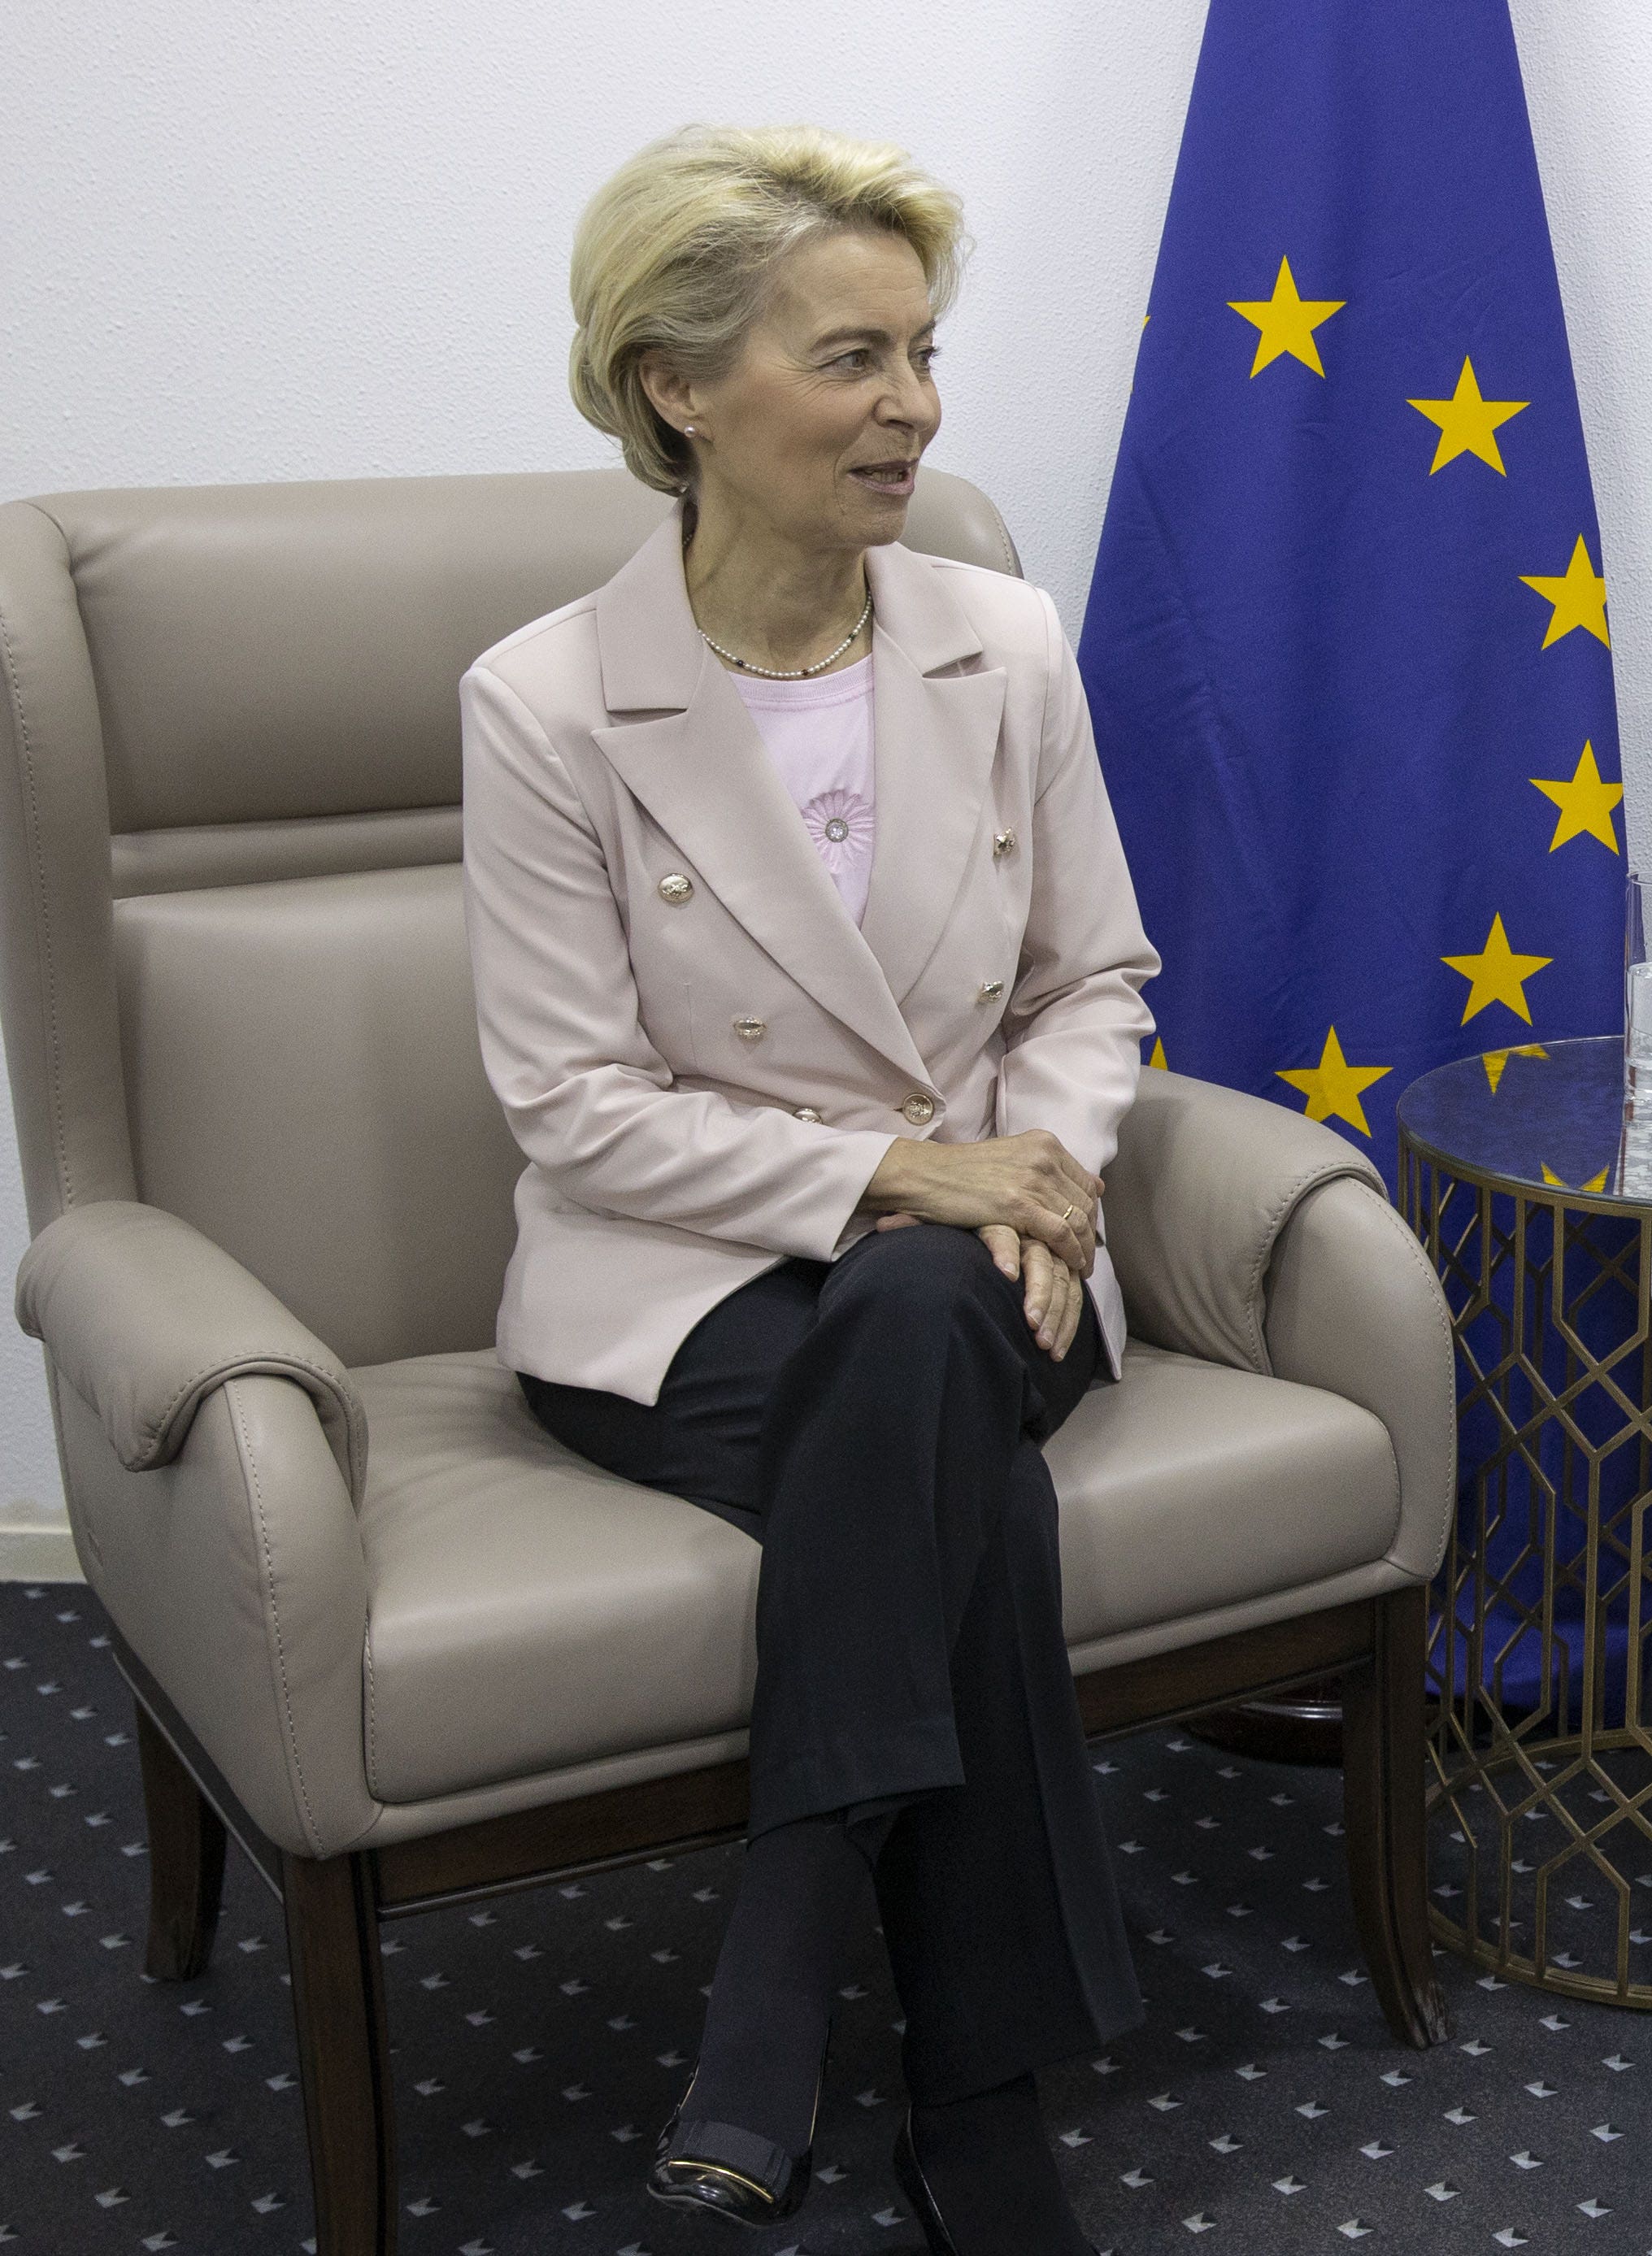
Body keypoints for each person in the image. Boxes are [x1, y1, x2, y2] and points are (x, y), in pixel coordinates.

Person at [460, 125, 1157, 2254]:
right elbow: (571, 1104)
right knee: (947, 1444)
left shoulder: (1002, 640)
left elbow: (1093, 982)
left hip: (984, 1277)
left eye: (923, 354)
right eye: (851, 359)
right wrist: (897, 1169)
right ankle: (978, 2093)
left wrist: (1033, 1182)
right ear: (680, 388)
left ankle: (775, 1982)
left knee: (927, 1323)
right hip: (671, 1302)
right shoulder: (548, 702)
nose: (914, 409)